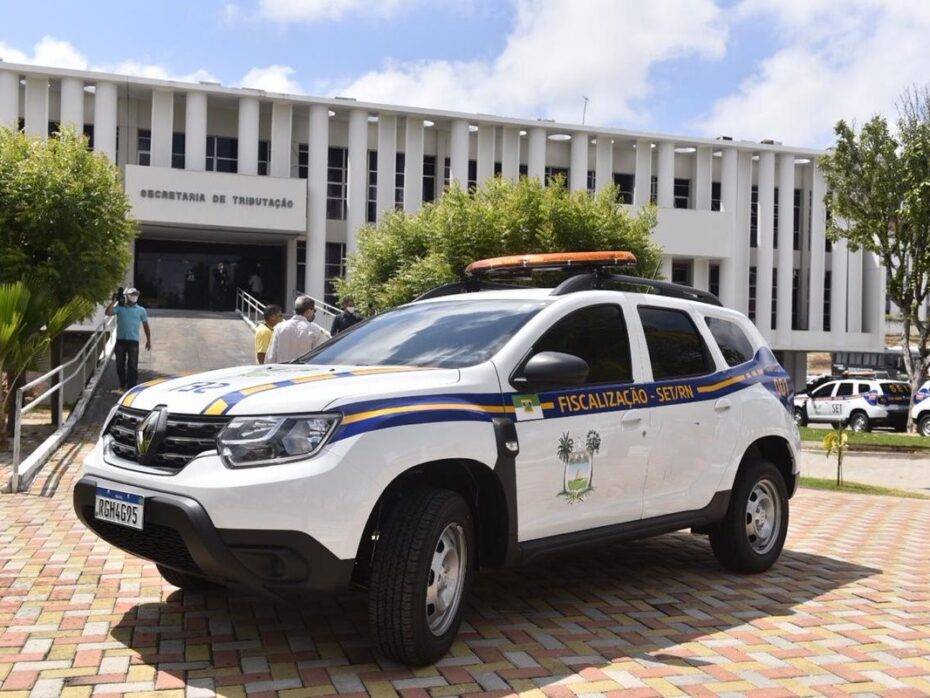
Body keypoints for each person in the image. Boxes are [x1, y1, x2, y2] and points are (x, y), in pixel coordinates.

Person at [105, 287, 151, 391]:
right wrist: (114, 301)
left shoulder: (141, 310)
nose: (134, 296)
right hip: (121, 341)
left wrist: (149, 340)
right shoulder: (120, 308)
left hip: (133, 342)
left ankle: (131, 388)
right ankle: (122, 385)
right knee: (120, 365)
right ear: (127, 296)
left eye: (136, 294)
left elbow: (146, 326)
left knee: (133, 366)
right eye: (132, 294)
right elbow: (107, 312)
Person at [266, 296, 330, 364]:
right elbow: (319, 357)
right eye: (314, 311)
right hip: (305, 373)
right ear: (308, 311)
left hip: (281, 372)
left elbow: (270, 357)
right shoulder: (315, 330)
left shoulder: (279, 328)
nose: (314, 314)